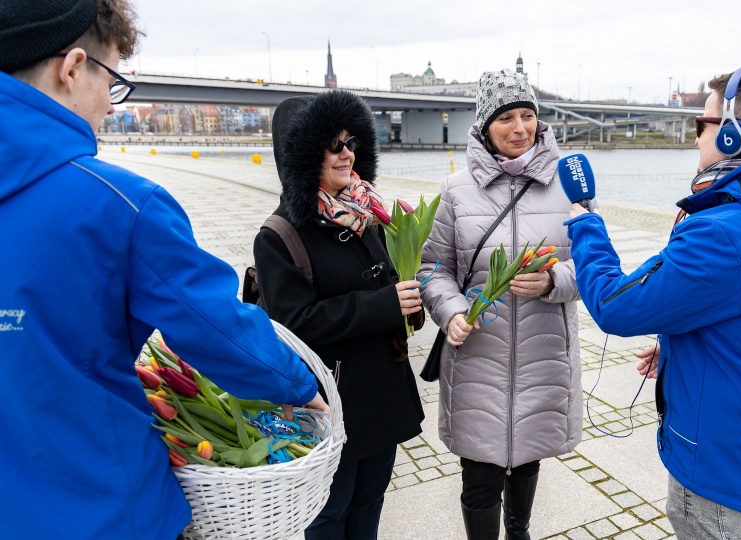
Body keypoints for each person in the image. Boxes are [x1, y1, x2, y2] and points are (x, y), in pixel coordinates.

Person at [0, 1, 328, 539]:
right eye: (112, 80)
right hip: (99, 506)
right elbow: (214, 325)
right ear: (73, 68)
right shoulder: (118, 205)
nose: (109, 103)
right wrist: (295, 384)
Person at [565, 63, 741, 539]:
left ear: (737, 136)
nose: (696, 137)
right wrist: (684, 346)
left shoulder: (726, 234)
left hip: (720, 461)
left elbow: (616, 305)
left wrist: (585, 224)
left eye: (704, 124)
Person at [253, 90, 425, 540]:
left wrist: (411, 297)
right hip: (333, 397)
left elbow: (389, 285)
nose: (347, 153)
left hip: (382, 390)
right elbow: (295, 323)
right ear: (303, 154)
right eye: (333, 144)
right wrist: (383, 305)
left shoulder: (368, 212)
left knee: (371, 500)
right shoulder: (279, 235)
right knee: (330, 513)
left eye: (351, 141)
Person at [418, 68, 582, 540]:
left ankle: (520, 532)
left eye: (527, 115)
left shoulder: (568, 186)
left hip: (543, 354)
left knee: (528, 460)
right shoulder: (456, 190)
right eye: (506, 117)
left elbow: (595, 268)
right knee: (480, 475)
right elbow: (433, 267)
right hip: (477, 357)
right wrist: (450, 312)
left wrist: (554, 280)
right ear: (484, 127)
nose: (519, 128)